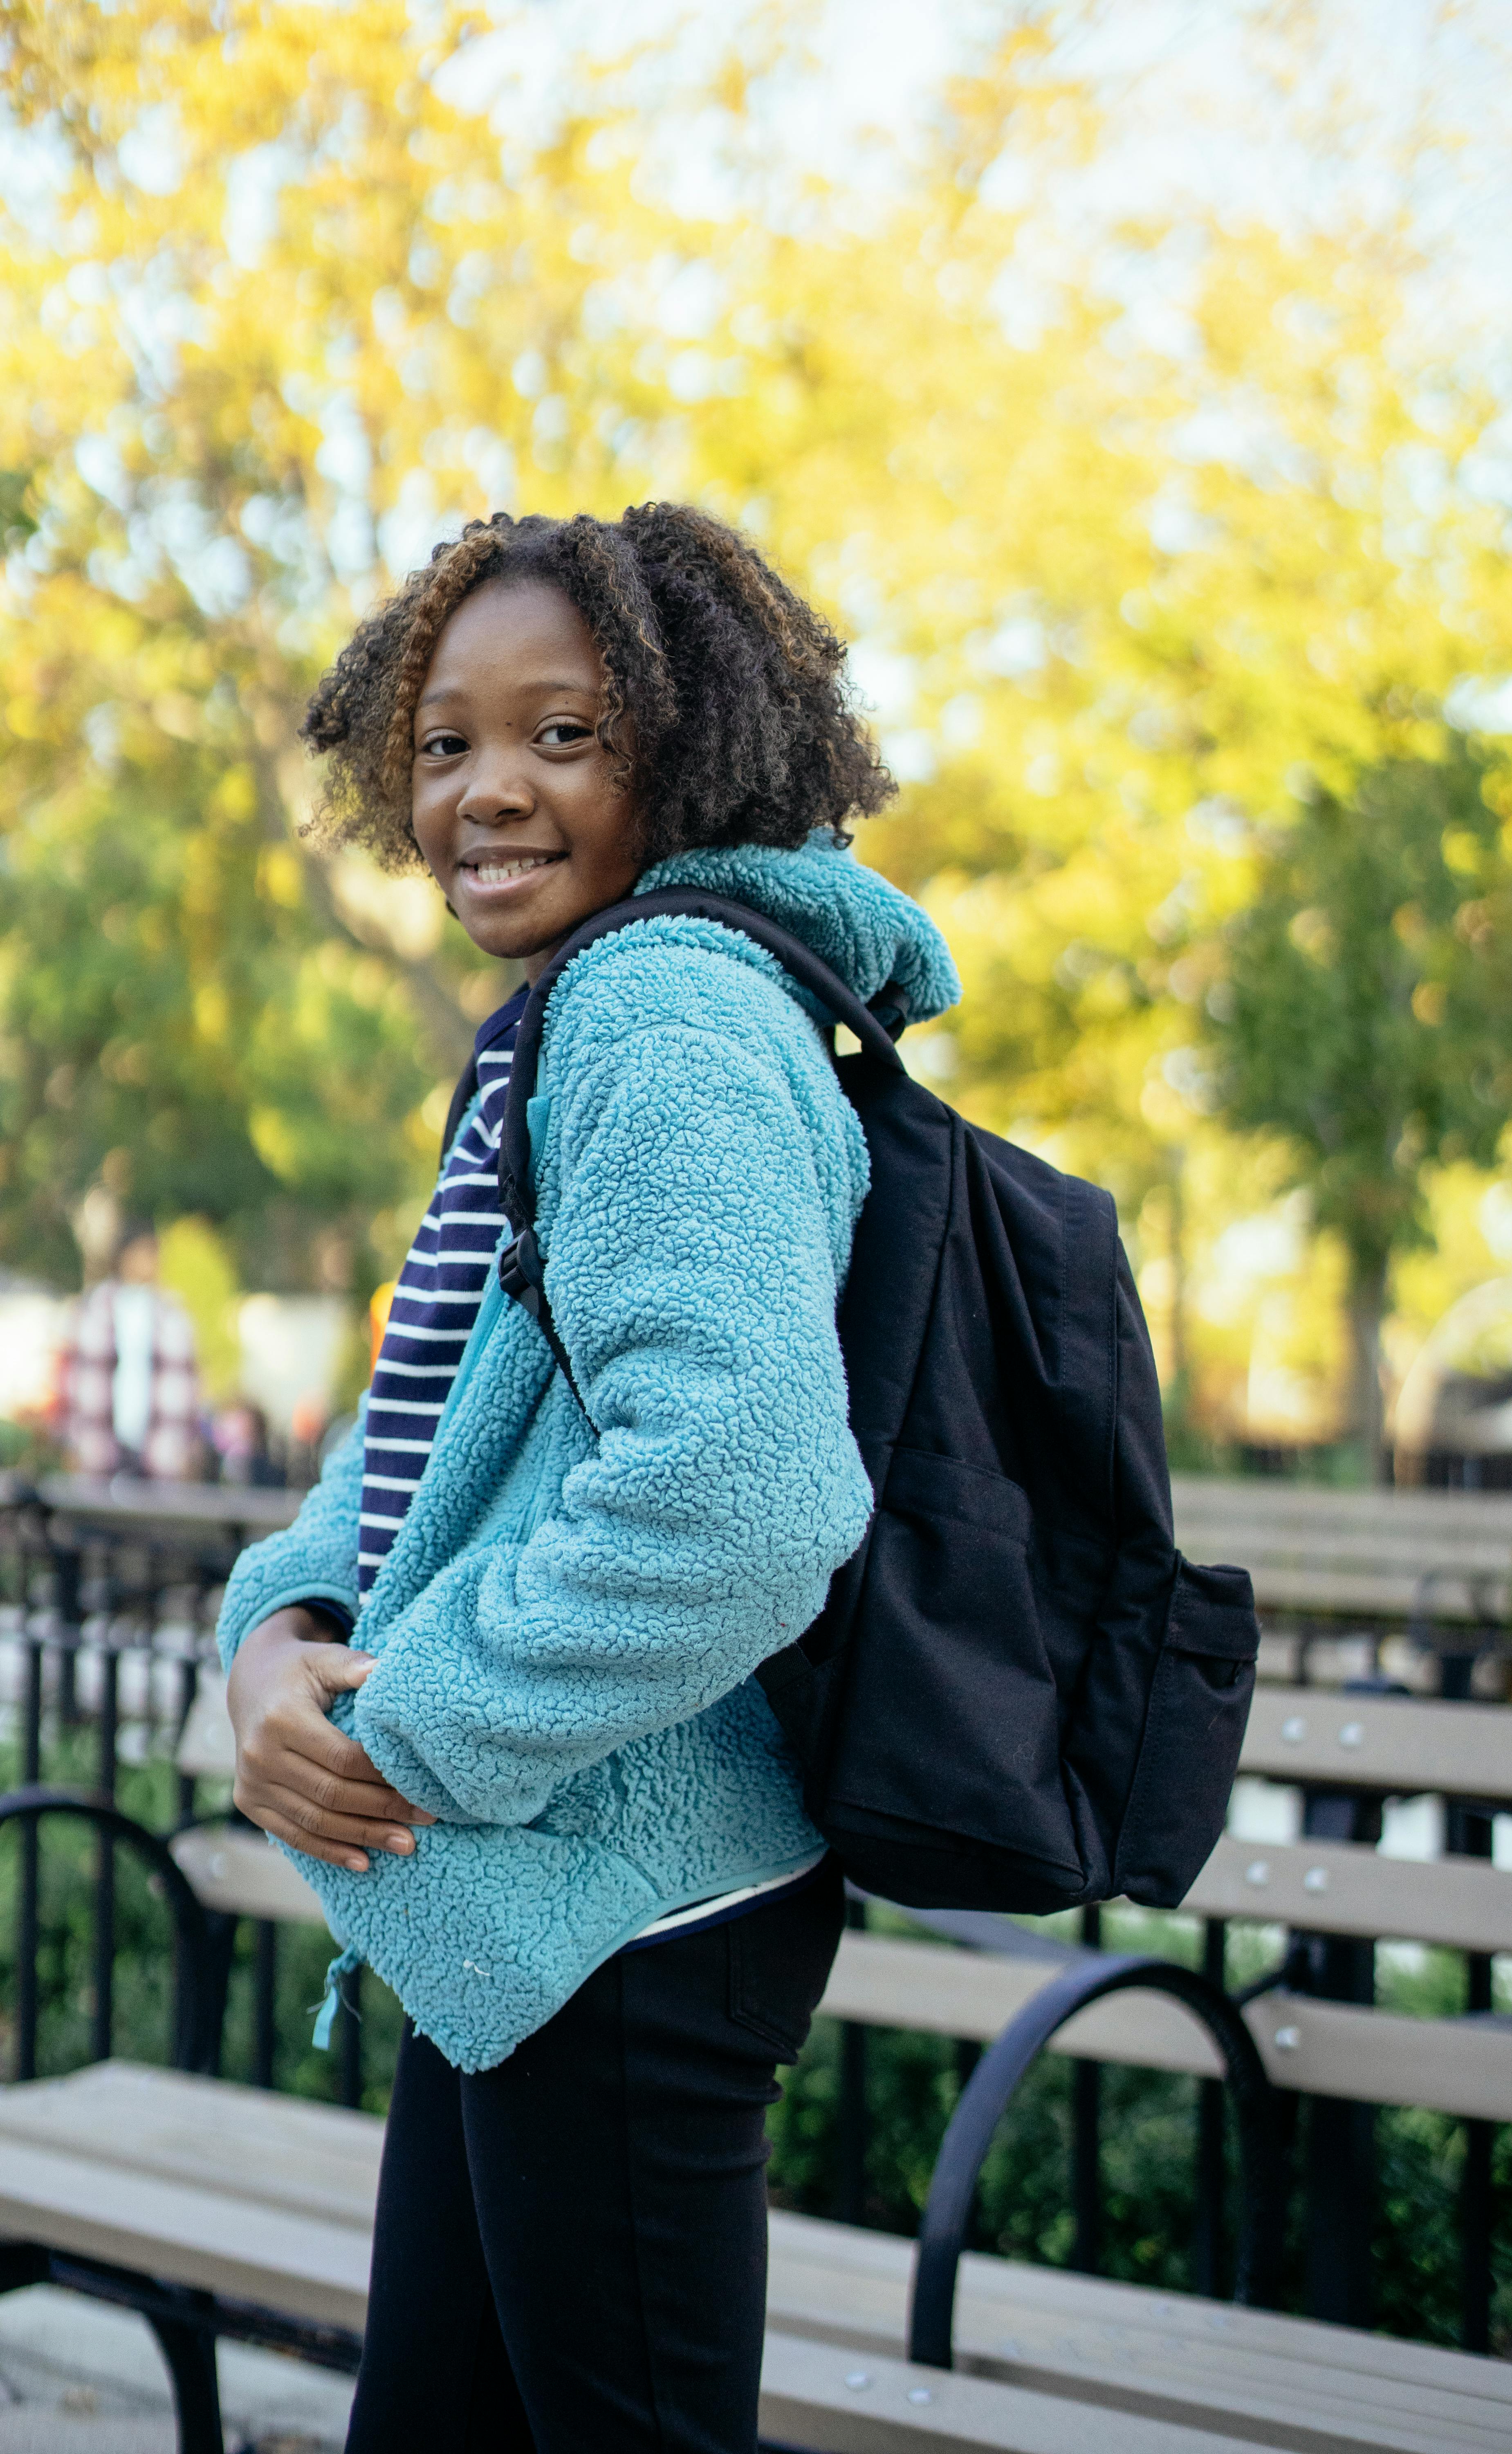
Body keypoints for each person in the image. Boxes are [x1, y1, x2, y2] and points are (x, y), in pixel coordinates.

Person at [215, 506, 960, 2453]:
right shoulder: (570, 1017)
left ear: (688, 740)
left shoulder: (663, 1015)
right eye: (446, 741)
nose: (486, 790)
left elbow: (742, 1489)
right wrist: (275, 1633)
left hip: (624, 1913)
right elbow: (428, 1434)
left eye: (563, 732)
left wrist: (421, 1727)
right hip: (533, 1899)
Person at [58, 1219, 200, 1480]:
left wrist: (187, 1450)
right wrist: (70, 1443)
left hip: (158, 1450)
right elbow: (70, 1384)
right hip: (100, 1445)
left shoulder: (173, 1315)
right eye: (144, 1252)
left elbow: (190, 1390)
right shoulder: (93, 1310)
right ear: (125, 1256)